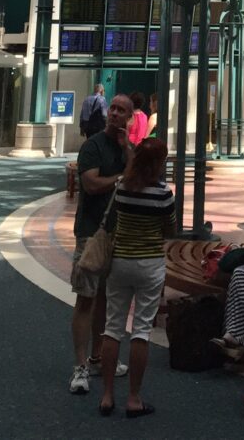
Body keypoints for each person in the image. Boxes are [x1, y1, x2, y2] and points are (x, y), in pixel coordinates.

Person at [96, 135, 175, 419]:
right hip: (150, 264)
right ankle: (133, 398)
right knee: (141, 329)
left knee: (113, 326)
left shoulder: (122, 188)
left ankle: (106, 395)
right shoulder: (163, 194)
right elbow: (170, 230)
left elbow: (115, 220)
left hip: (121, 262)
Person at [68, 95, 134, 395]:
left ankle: (97, 358)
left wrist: (127, 151)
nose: (116, 114)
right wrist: (120, 176)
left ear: (129, 117)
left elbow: (137, 180)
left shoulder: (125, 150)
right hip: (90, 234)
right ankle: (80, 366)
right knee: (86, 298)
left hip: (116, 235)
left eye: (122, 111)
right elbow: (91, 184)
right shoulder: (92, 146)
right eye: (114, 109)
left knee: (105, 300)